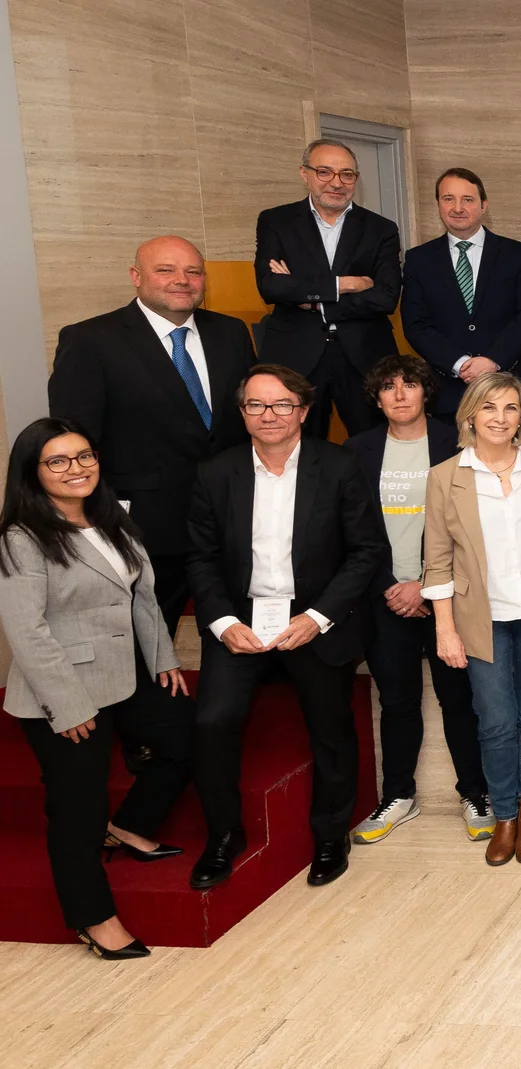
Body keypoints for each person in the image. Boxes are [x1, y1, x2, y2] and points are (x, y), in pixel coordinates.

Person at [0, 419, 192, 960]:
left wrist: (162, 657)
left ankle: (129, 827)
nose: (76, 468)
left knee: (182, 737)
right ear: (33, 473)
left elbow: (143, 596)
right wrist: (65, 705)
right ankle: (93, 918)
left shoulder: (112, 520)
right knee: (77, 809)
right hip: (64, 690)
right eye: (57, 461)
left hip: (125, 672)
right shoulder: (22, 538)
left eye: (83, 455)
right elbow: (27, 630)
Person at [185, 364, 382, 890]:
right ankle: (224, 835)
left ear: (303, 410)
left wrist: (318, 618)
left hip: (313, 617)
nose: (268, 415)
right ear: (242, 412)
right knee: (212, 722)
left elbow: (366, 552)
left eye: (280, 405)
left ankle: (329, 835)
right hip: (240, 620)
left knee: (331, 728)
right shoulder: (215, 472)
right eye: (256, 405)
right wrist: (224, 621)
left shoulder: (338, 466)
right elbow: (200, 557)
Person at [48, 235, 256, 637]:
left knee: (233, 632)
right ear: (136, 277)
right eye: (166, 270)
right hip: (144, 526)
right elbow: (75, 441)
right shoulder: (90, 340)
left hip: (231, 517)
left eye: (193, 272)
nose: (182, 280)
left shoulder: (231, 332)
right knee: (143, 640)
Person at [342, 355, 489, 846]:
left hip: (446, 597)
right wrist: (391, 584)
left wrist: (425, 585)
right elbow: (354, 531)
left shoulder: (457, 443)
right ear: (376, 397)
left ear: (428, 392)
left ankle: (476, 792)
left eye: (410, 385)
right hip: (387, 598)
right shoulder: (358, 450)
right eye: (388, 386)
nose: (400, 394)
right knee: (398, 701)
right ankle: (399, 795)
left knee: (458, 699)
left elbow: (470, 527)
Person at [420, 372, 521, 866]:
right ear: (470, 415)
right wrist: (444, 629)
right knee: (497, 722)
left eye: (512, 408)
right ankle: (502, 815)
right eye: (490, 408)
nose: (501, 418)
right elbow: (436, 560)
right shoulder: (444, 476)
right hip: (480, 618)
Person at [252, 138, 402, 437]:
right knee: (299, 448)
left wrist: (313, 299)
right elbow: (271, 287)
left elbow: (386, 297)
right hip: (296, 357)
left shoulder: (381, 228)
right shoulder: (276, 221)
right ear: (304, 173)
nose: (336, 183)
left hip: (365, 357)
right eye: (324, 172)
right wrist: (344, 285)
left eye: (347, 174)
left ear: (356, 180)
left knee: (373, 446)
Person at [400, 168, 521, 417]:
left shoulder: (517, 254)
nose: (457, 207)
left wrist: (492, 361)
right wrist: (459, 364)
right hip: (447, 392)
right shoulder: (418, 260)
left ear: (483, 205)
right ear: (438, 204)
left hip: (508, 388)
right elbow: (416, 325)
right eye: (448, 199)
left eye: (467, 199)